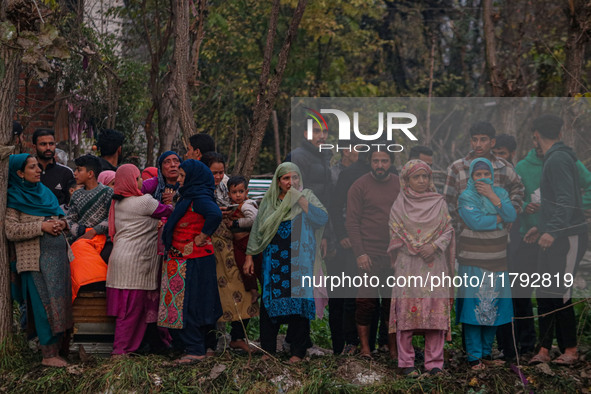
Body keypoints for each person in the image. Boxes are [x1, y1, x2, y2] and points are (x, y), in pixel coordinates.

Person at [243, 162, 328, 363]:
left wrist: (300, 200)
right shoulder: (269, 201)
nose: (291, 182)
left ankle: (297, 353)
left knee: (299, 305)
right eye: (286, 178)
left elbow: (321, 218)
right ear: (278, 181)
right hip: (274, 262)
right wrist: (249, 256)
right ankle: (269, 351)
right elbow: (257, 231)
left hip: (300, 262)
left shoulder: (306, 196)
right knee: (270, 303)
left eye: (295, 177)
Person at [524, 115, 588, 366]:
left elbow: (565, 200)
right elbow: (556, 203)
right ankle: (544, 349)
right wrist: (541, 227)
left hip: (569, 237)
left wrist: (552, 231)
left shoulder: (559, 158)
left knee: (560, 292)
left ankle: (570, 349)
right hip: (555, 233)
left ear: (536, 135)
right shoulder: (555, 157)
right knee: (545, 291)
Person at [388, 160, 454, 376]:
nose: (422, 181)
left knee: (434, 312)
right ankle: (406, 363)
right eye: (417, 177)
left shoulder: (439, 203)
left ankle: (434, 364)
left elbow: (448, 229)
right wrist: (416, 247)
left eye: (425, 176)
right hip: (409, 265)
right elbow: (395, 230)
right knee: (407, 314)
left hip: (433, 264)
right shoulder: (399, 204)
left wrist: (434, 246)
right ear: (407, 180)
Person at [5, 153, 72, 367]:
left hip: (58, 260)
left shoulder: (45, 193)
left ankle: (61, 348)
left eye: (37, 167)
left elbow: (59, 216)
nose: (38, 171)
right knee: (43, 306)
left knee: (60, 303)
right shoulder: (13, 198)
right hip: (35, 261)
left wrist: (62, 224)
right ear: (19, 173)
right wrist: (41, 227)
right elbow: (11, 231)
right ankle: (48, 354)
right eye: (32, 167)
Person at [158, 159, 223, 364]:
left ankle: (195, 350)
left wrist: (203, 236)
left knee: (189, 305)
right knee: (197, 304)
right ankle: (202, 346)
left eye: (184, 176)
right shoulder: (191, 197)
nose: (179, 179)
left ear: (194, 178)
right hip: (190, 259)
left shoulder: (199, 198)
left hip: (190, 260)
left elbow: (215, 214)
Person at [105, 164, 173, 357]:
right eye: (138, 178)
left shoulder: (117, 203)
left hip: (121, 260)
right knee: (131, 312)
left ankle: (126, 349)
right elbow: (168, 211)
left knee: (126, 312)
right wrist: (171, 201)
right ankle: (120, 352)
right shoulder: (143, 202)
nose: (142, 181)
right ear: (132, 181)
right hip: (134, 263)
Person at [456, 158, 516, 370]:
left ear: (492, 175)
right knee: (474, 310)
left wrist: (492, 197)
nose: (483, 178)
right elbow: (476, 222)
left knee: (493, 308)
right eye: (478, 175)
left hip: (497, 261)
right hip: (473, 261)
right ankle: (473, 357)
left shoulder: (500, 193)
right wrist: (499, 217)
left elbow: (512, 214)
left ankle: (486, 354)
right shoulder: (466, 196)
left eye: (486, 174)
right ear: (471, 177)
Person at [202, 152, 259, 353]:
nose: (218, 177)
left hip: (230, 247)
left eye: (221, 172)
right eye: (214, 173)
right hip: (209, 248)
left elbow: (249, 216)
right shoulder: (200, 189)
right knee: (211, 295)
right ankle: (209, 343)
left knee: (241, 290)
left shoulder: (229, 189)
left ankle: (238, 337)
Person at [346, 149, 400, 359]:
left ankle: (393, 349)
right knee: (365, 303)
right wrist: (360, 253)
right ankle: (365, 349)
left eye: (384, 161)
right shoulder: (359, 186)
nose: (379, 165)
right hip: (368, 254)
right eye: (376, 161)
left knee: (392, 304)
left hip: (395, 255)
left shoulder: (400, 184)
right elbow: (351, 221)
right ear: (369, 162)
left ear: (391, 162)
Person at [444, 121, 524, 227]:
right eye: (474, 140)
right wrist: (456, 227)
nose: (478, 145)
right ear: (471, 142)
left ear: (492, 142)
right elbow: (447, 202)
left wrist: (508, 213)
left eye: (483, 140)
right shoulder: (457, 168)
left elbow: (518, 190)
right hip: (466, 234)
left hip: (499, 235)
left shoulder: (504, 166)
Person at [66, 154, 114, 301]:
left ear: (90, 174)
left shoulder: (107, 192)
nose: (75, 173)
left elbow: (111, 218)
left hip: (103, 240)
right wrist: (81, 232)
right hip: (81, 239)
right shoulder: (76, 195)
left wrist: (93, 231)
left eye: (79, 170)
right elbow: (70, 219)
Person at [225, 175, 261, 302]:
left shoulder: (246, 205)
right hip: (238, 243)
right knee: (243, 267)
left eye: (241, 192)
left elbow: (254, 219)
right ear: (229, 194)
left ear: (247, 192)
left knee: (256, 267)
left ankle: (260, 290)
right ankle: (253, 291)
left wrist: (235, 224)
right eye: (234, 192)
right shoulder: (233, 206)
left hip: (249, 241)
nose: (238, 195)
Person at [32, 128, 75, 206]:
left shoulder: (66, 173)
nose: (48, 148)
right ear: (34, 147)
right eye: (43, 144)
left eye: (51, 144)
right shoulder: (28, 171)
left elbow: (70, 203)